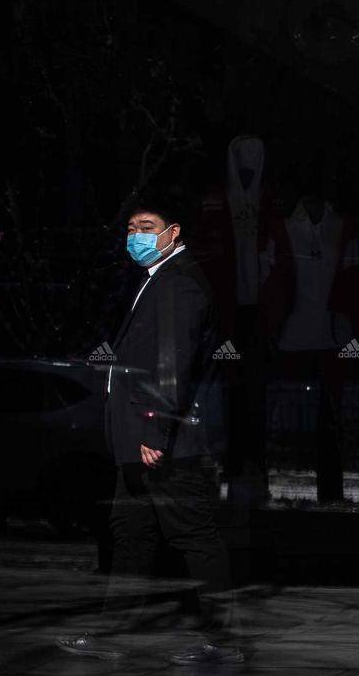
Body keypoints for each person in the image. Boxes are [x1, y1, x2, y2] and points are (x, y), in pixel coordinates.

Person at [57, 199, 243, 666]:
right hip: (141, 442)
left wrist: (153, 434)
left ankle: (222, 641)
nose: (136, 235)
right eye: (131, 227)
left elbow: (170, 366)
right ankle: (112, 631)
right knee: (131, 536)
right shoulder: (158, 282)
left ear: (173, 231)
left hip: (163, 445)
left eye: (147, 226)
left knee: (194, 538)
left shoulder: (178, 285)